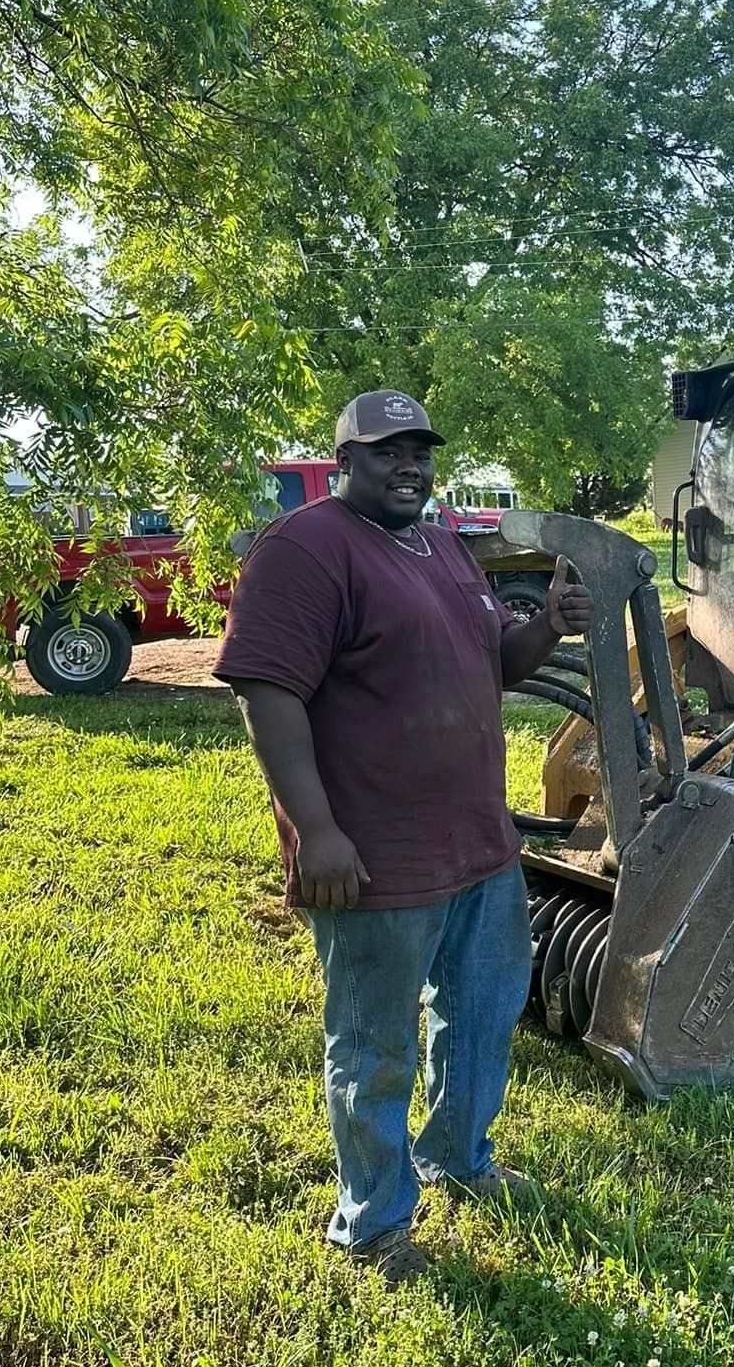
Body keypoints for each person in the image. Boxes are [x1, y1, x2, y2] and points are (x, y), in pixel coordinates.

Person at [215, 390, 594, 1286]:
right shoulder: (305, 548)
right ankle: (374, 1222)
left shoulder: (444, 550)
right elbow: (266, 692)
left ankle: (458, 1158)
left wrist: (546, 626)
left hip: (479, 847)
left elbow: (491, 663)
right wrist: (316, 832)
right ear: (342, 459)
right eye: (386, 451)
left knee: (483, 1016)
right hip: (374, 856)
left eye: (419, 450)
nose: (408, 465)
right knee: (372, 1044)